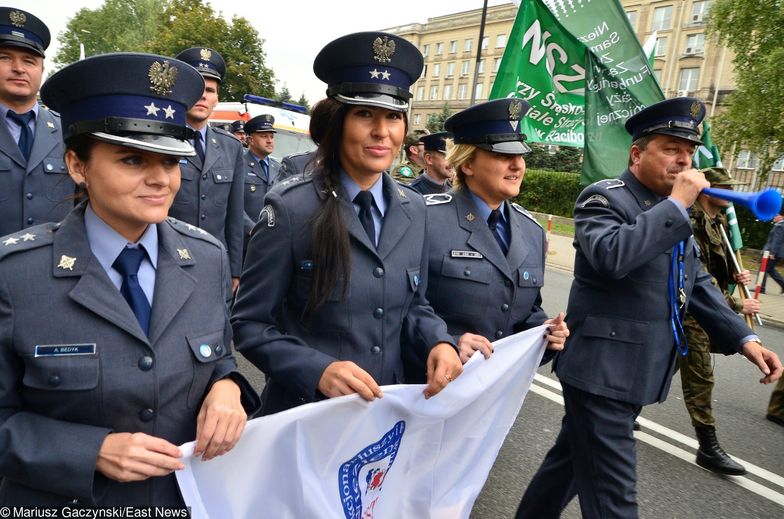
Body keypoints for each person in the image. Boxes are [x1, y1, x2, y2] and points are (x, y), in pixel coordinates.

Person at [0, 52, 258, 506]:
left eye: (170, 160)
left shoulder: (206, 257)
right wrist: (89, 450)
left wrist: (228, 388)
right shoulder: (17, 277)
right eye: (132, 160)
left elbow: (216, 357)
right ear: (78, 165)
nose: (160, 180)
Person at [516, 98, 782, 519]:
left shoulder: (671, 213)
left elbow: (695, 283)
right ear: (637, 154)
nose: (684, 161)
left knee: (565, 467)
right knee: (615, 501)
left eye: (690, 153)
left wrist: (745, 338)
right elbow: (611, 257)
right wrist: (676, 205)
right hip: (600, 373)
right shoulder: (604, 199)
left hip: (638, 371)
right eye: (671, 149)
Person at [232, 31, 462, 416]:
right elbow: (250, 324)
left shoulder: (414, 208)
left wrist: (439, 341)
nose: (382, 132)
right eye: (365, 114)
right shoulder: (291, 208)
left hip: (386, 413)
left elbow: (414, 305)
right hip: (308, 415)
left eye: (393, 116)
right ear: (338, 122)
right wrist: (316, 370)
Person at [417, 99, 568, 374]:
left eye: (520, 156)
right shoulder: (425, 218)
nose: (517, 166)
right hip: (430, 387)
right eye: (502, 156)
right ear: (468, 165)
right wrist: (446, 342)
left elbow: (527, 308)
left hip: (494, 396)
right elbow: (399, 307)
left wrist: (544, 332)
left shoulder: (531, 231)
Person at [679, 167, 759, 475]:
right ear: (709, 191)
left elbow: (716, 269)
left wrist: (736, 276)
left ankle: (626, 411)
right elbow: (696, 277)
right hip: (690, 311)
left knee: (664, 362)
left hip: (703, 308)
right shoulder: (690, 220)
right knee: (700, 375)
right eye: (725, 188)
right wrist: (739, 304)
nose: (731, 194)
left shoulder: (719, 221)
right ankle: (708, 447)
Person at [169, 47, 244, 293]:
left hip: (215, 265)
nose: (203, 96)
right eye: (197, 88)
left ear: (217, 99)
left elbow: (234, 215)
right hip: (168, 260)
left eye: (210, 91)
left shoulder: (231, 147)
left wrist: (235, 269)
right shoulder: (160, 140)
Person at [0, 7, 73, 236]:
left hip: (54, 265)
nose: (19, 69)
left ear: (42, 69)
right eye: (5, 58)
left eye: (29, 61)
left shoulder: (69, 131)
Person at [242, 114, 280, 249]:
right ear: (251, 140)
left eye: (272, 136)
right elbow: (233, 203)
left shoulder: (278, 167)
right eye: (264, 136)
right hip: (247, 240)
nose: (269, 141)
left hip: (273, 240)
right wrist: (251, 229)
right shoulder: (240, 164)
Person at [760, 213, 784, 294]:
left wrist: (772, 253)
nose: (774, 217)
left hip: (772, 253)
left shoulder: (780, 226)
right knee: (770, 270)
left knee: (763, 269)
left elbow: (777, 240)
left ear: (781, 217)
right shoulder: (780, 225)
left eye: (776, 215)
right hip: (776, 253)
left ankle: (761, 288)